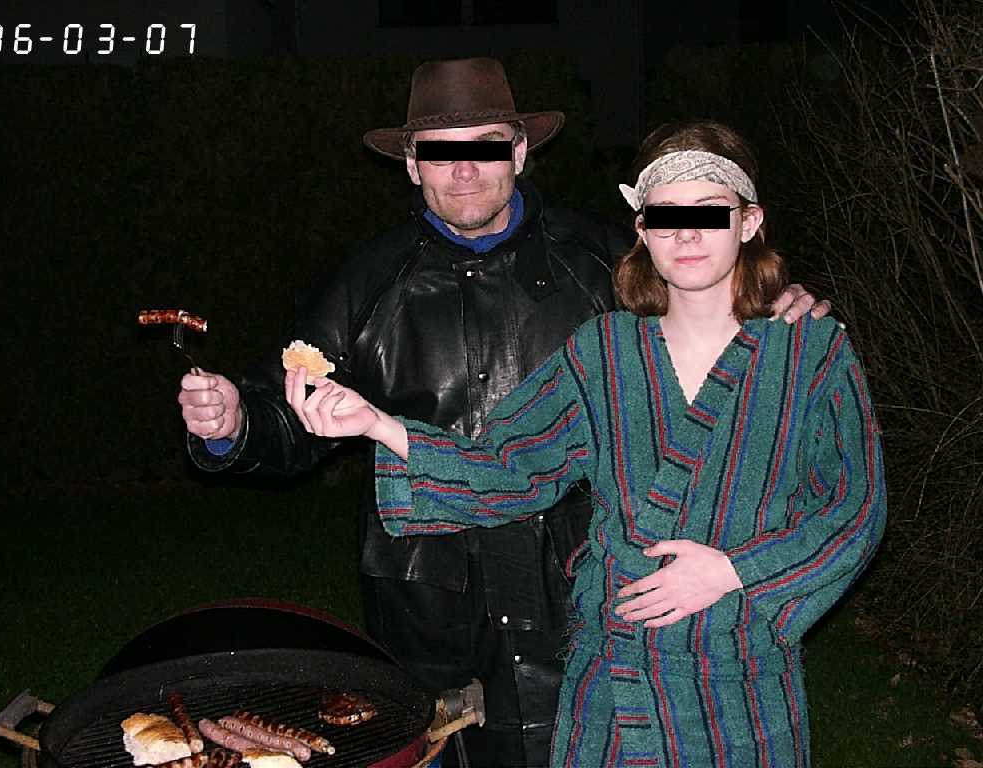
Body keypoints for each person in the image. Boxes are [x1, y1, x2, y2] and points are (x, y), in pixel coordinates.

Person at [178, 59, 828, 767]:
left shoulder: (604, 261)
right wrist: (235, 425)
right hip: (427, 595)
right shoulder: (366, 282)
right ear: (412, 165)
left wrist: (771, 307)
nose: (464, 171)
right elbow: (294, 410)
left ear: (519, 153)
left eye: (485, 148)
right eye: (440, 152)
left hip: (579, 583)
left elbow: (708, 321)